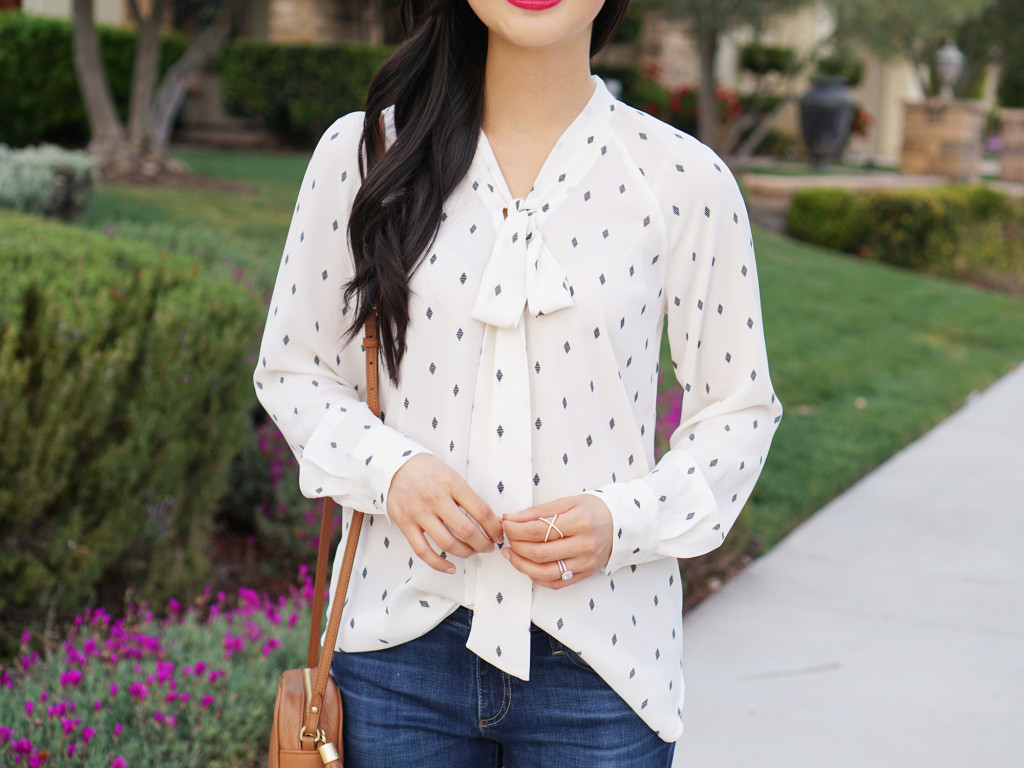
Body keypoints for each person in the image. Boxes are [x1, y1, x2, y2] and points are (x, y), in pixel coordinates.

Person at [254, 0, 782, 765]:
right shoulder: (364, 154)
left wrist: (622, 521)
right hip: (394, 655)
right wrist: (392, 470)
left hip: (602, 667)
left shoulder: (683, 180)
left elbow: (738, 412)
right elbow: (294, 367)